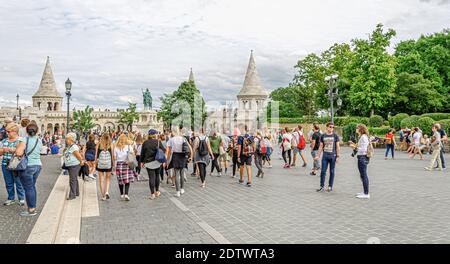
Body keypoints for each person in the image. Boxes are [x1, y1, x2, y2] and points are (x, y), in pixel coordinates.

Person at [14, 123, 42, 216]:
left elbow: (18, 152)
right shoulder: (39, 140)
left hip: (27, 166)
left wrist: (16, 148)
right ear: (37, 131)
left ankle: (31, 209)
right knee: (32, 187)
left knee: (29, 188)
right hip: (38, 165)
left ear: (26, 131)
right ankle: (32, 207)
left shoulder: (24, 140)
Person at [0, 123, 25, 206]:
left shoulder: (21, 140)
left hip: (16, 165)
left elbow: (22, 152)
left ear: (15, 132)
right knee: (8, 182)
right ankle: (11, 198)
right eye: (6, 131)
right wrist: (3, 150)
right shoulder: (4, 141)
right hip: (5, 164)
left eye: (8, 131)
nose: (7, 133)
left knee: (18, 182)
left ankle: (21, 198)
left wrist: (13, 150)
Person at [140, 129, 166, 200]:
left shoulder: (145, 143)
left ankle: (152, 194)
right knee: (157, 176)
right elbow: (164, 150)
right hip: (157, 161)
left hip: (148, 162)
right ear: (155, 135)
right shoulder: (158, 142)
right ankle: (157, 191)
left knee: (151, 177)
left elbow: (142, 153)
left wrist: (142, 162)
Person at [166, 128, 193, 196]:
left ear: (173, 132)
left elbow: (169, 152)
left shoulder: (171, 139)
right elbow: (190, 148)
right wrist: (191, 157)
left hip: (175, 156)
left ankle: (177, 191)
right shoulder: (183, 138)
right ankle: (182, 189)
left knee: (176, 174)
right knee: (182, 173)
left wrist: (167, 160)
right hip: (183, 156)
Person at [315, 122, 341, 192]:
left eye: (333, 127)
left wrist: (338, 156)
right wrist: (318, 155)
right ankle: (321, 186)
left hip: (333, 156)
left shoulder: (335, 136)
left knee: (332, 171)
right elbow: (321, 146)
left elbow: (338, 147)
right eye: (330, 127)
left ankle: (330, 186)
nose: (331, 128)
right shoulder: (323, 136)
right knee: (323, 171)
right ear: (326, 127)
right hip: (325, 156)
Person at [350, 124, 371, 199]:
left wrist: (355, 147)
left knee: (364, 175)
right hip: (362, 157)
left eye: (357, 128)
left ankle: (366, 193)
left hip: (362, 157)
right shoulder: (362, 137)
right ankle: (365, 191)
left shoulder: (363, 137)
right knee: (362, 175)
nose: (356, 129)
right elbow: (361, 146)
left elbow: (364, 149)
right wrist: (354, 145)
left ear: (360, 129)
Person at [114, 134, 137, 201]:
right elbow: (133, 154)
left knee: (120, 180)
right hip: (127, 164)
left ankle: (121, 194)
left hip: (119, 164)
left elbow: (114, 157)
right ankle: (126, 194)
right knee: (127, 180)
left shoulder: (116, 147)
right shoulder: (129, 147)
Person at [63, 133, 85, 200]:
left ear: (71, 139)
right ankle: (76, 192)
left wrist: (81, 162)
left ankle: (72, 195)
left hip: (74, 165)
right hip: (72, 165)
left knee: (72, 180)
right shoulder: (71, 146)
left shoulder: (74, 147)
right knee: (74, 179)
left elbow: (79, 156)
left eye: (67, 139)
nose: (66, 140)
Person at [96, 133, 114, 201]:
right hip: (108, 164)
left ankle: (103, 196)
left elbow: (96, 155)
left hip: (100, 164)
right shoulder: (111, 144)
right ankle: (107, 192)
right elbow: (112, 156)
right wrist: (113, 165)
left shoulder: (99, 144)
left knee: (101, 180)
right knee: (107, 179)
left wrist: (95, 163)